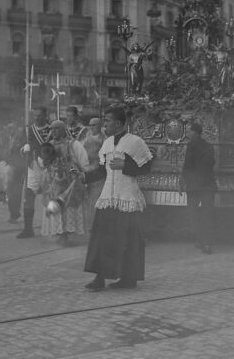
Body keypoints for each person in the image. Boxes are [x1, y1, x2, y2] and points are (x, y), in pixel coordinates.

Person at [81, 106, 153, 291]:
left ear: (119, 123)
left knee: (128, 240)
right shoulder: (106, 144)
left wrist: (126, 165)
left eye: (108, 121)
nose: (105, 124)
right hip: (108, 197)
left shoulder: (135, 142)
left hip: (127, 197)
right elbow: (101, 170)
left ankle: (129, 279)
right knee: (102, 239)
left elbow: (147, 167)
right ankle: (99, 278)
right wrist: (84, 177)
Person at [39, 120, 89, 245]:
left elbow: (83, 161)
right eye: (52, 129)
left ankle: (70, 234)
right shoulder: (48, 145)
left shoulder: (74, 144)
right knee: (56, 207)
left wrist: (84, 176)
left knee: (70, 208)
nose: (53, 131)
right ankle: (60, 232)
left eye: (56, 128)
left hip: (71, 183)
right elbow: (43, 163)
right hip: (54, 183)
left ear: (63, 129)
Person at [180, 122, 217, 254]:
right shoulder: (209, 146)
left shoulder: (191, 146)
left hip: (195, 186)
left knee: (193, 214)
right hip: (207, 184)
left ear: (195, 133)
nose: (187, 134)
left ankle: (202, 241)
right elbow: (211, 164)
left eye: (189, 131)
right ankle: (206, 242)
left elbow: (187, 166)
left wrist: (183, 181)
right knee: (207, 214)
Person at [17, 107, 51, 238]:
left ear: (45, 116)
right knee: (29, 196)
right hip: (32, 166)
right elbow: (18, 146)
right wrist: (23, 149)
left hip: (48, 167)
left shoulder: (51, 129)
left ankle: (53, 227)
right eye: (35, 116)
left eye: (40, 115)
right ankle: (28, 229)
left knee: (50, 197)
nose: (37, 118)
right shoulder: (27, 129)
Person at [81, 117, 105, 233]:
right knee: (87, 199)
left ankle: (97, 225)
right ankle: (89, 225)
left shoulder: (104, 139)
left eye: (94, 125)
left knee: (96, 198)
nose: (92, 127)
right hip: (86, 171)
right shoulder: (86, 139)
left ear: (100, 126)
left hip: (99, 171)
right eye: (90, 125)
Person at [4, 122, 26, 224]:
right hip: (10, 168)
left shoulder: (19, 141)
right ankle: (12, 214)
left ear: (15, 129)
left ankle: (16, 215)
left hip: (18, 169)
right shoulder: (9, 140)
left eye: (11, 128)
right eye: (8, 128)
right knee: (9, 193)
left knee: (16, 193)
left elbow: (22, 156)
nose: (10, 130)